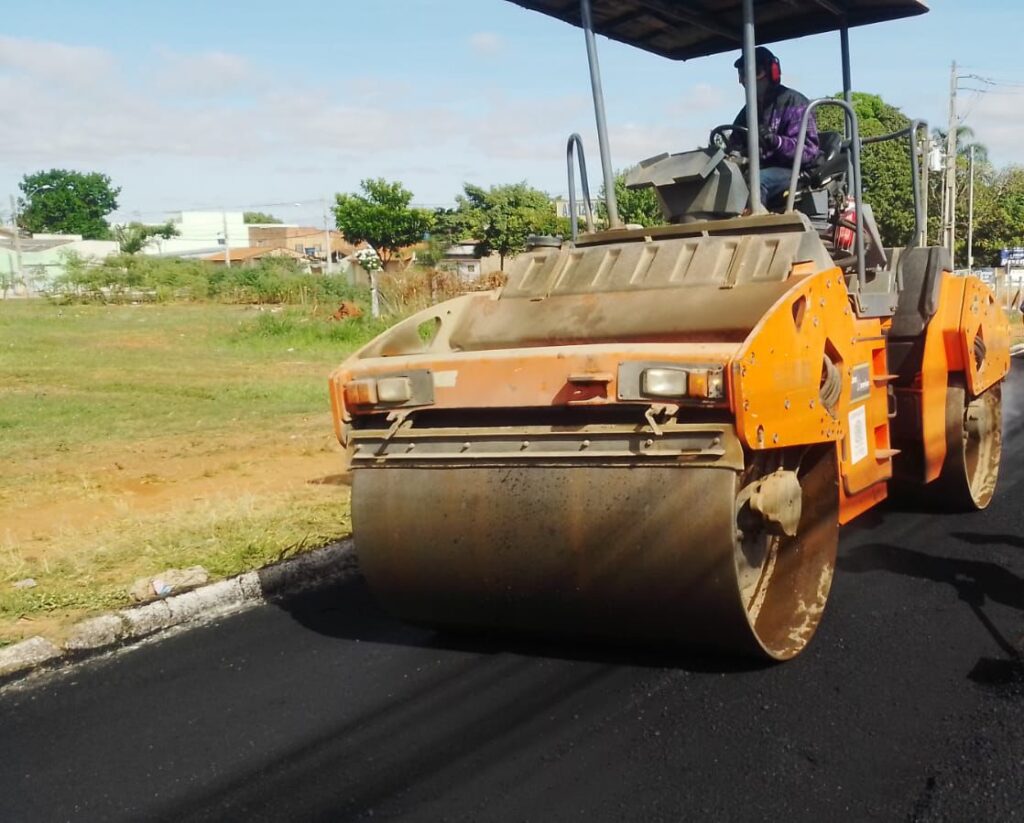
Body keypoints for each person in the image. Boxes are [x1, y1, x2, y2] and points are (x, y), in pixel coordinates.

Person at [732, 46, 820, 206]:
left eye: (747, 74)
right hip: (762, 168)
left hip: (794, 171)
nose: (743, 81)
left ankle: (755, 227)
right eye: (740, 75)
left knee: (756, 181)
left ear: (768, 73)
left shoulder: (795, 103)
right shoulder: (748, 112)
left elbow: (808, 152)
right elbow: (734, 142)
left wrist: (775, 141)